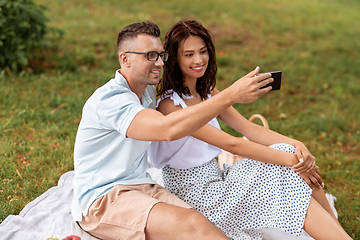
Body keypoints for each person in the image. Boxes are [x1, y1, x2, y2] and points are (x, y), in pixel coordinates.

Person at [148, 20, 352, 240]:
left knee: (290, 157)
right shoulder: (170, 105)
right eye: (188, 54)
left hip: (218, 180)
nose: (198, 60)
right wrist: (292, 161)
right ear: (175, 59)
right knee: (287, 165)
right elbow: (231, 144)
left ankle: (339, 233)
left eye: (203, 51)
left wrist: (297, 146)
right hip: (196, 196)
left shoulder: (205, 90)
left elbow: (248, 129)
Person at [71, 21, 276, 240]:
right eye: (150, 55)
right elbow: (166, 129)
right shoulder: (111, 100)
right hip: (103, 199)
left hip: (143, 186)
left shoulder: (147, 90)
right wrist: (230, 95)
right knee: (193, 224)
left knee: (211, 224)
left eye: (160, 55)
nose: (159, 62)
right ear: (125, 59)